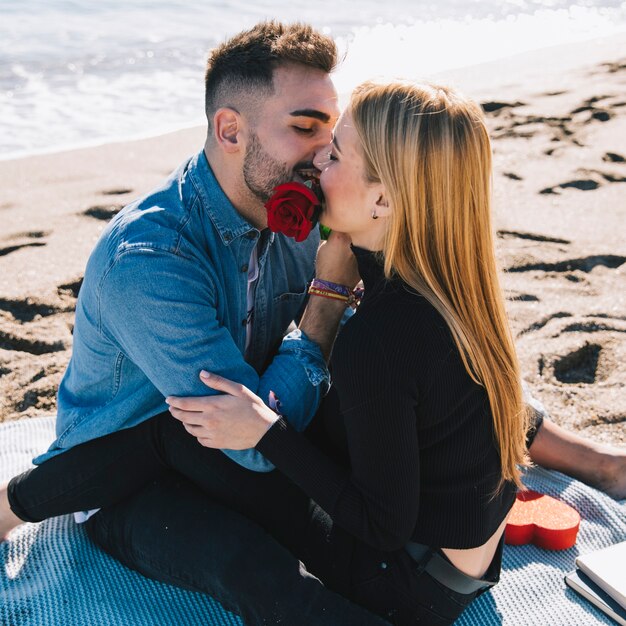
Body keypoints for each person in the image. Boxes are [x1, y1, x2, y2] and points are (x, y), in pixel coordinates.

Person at [1, 20, 626, 625]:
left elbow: (413, 377)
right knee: (241, 559)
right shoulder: (154, 261)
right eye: (306, 130)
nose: (321, 157)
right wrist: (325, 309)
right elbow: (238, 433)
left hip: (268, 446)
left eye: (333, 140)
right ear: (229, 129)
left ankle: (596, 461)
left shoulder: (314, 222)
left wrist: (322, 320)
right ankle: (13, 507)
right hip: (131, 475)